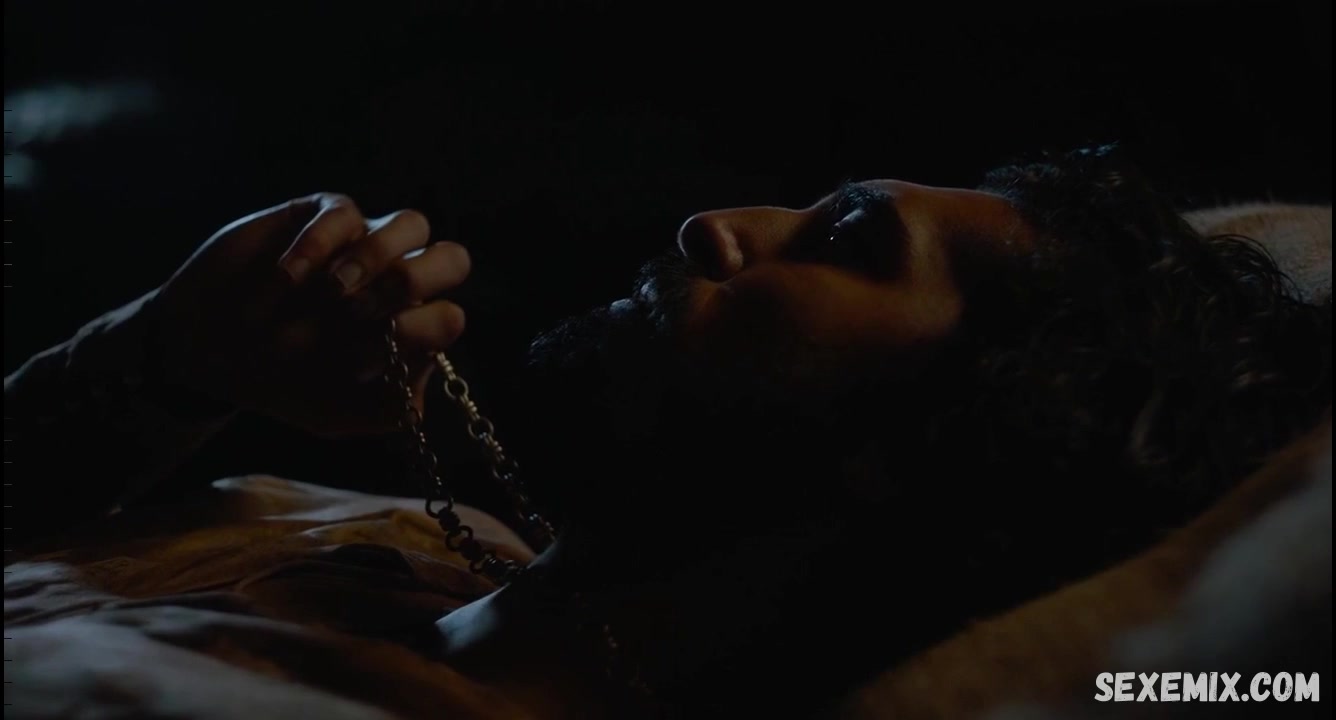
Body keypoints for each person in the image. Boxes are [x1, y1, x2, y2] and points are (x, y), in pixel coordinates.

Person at [3, 145, 1331, 720]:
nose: (717, 225)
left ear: (980, 439)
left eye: (847, 240)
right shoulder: (408, 541)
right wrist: (164, 367)